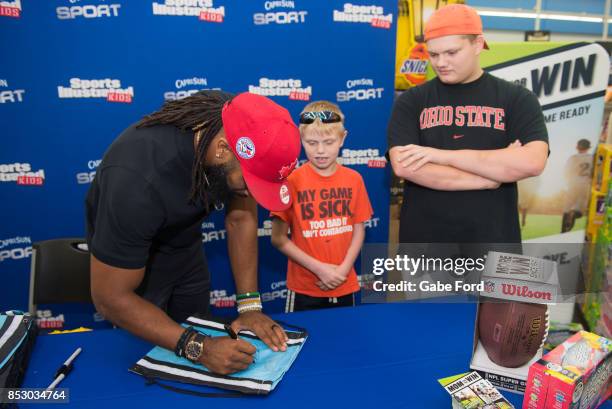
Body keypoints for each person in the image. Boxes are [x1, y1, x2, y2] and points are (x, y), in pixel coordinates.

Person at [85, 90, 301, 375]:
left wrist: (249, 307)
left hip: (187, 253)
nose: (252, 194)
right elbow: (110, 297)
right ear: (222, 151)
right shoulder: (136, 180)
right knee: (148, 371)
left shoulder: (237, 127)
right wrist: (199, 347)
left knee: (195, 367)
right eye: (250, 183)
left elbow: (240, 218)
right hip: (137, 273)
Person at [387, 4, 549, 244]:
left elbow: (532, 162)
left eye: (452, 52)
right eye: (434, 54)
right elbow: (404, 167)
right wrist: (488, 177)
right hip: (426, 245)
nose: (441, 62)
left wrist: (439, 156)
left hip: (494, 241)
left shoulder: (517, 98)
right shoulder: (412, 100)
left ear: (477, 44)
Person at [270, 101, 373, 312]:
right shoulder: (291, 181)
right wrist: (320, 270)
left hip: (345, 283)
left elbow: (359, 230)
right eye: (312, 142)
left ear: (342, 138)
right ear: (301, 140)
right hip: (304, 288)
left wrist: (342, 271)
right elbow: (278, 238)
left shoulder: (355, 179)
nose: (320, 150)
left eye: (328, 142)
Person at [561, 138, 593, 232]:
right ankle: (574, 214)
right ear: (588, 147)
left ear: (577, 147)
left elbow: (566, 172)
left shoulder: (573, 158)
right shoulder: (592, 158)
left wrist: (568, 182)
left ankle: (563, 231)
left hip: (573, 183)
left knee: (567, 208)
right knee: (579, 211)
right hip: (585, 184)